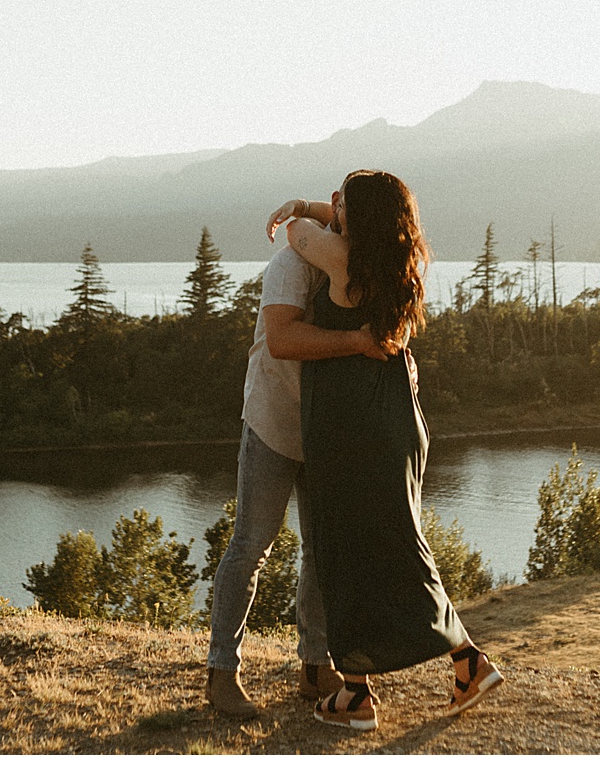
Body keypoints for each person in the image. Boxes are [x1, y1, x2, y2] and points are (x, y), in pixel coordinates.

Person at [267, 171, 503, 732]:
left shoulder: (341, 262)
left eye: (342, 200)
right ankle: (453, 666)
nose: (332, 206)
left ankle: (362, 695)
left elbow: (296, 232)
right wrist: (342, 210)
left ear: (359, 216)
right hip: (394, 418)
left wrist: (303, 206)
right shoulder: (400, 264)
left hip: (350, 425)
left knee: (340, 546)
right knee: (396, 540)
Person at [203, 216, 384, 718]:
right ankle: (222, 672)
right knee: (251, 547)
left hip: (326, 428)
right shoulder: (292, 263)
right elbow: (282, 339)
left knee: (320, 550)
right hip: (274, 421)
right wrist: (357, 342)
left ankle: (314, 666)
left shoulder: (361, 267)